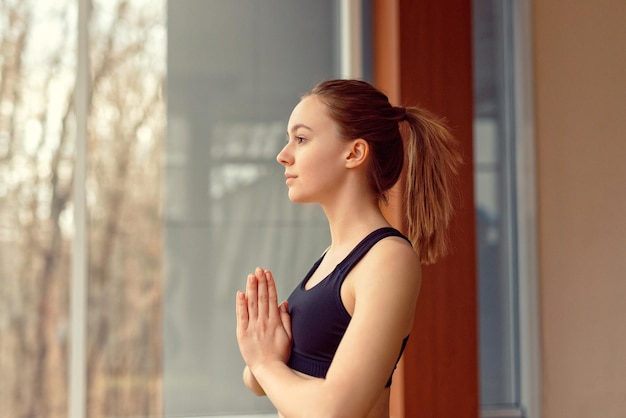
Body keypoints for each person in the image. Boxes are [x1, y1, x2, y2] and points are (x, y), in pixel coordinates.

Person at [235, 79, 462, 417]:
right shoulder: (331, 257)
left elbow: (335, 410)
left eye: (301, 139)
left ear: (354, 153)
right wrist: (264, 356)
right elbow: (261, 380)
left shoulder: (387, 259)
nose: (283, 156)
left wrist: (266, 364)